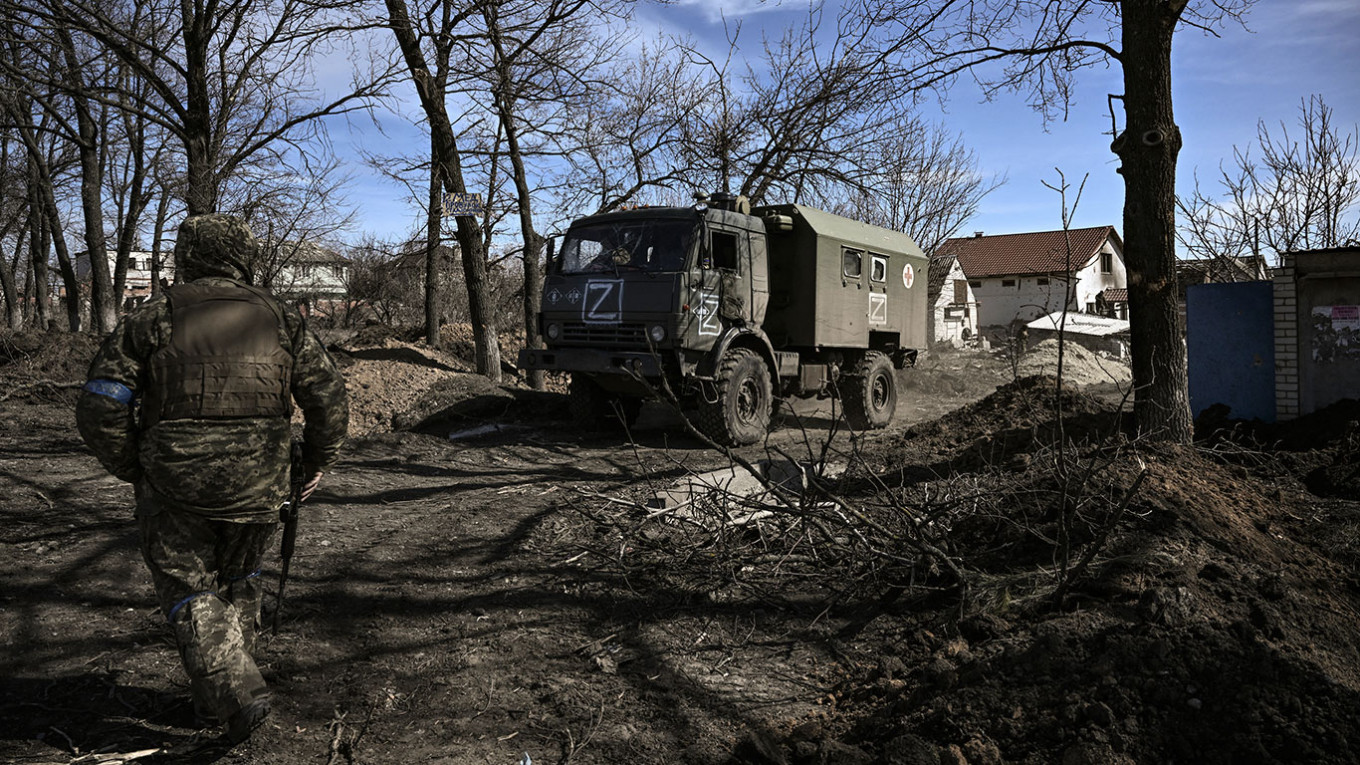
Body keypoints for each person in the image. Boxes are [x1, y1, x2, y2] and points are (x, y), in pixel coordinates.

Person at [76, 214, 348, 743]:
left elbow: (100, 405)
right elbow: (329, 399)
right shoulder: (280, 317)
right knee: (240, 580)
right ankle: (217, 702)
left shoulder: (152, 317)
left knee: (189, 589)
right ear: (244, 256)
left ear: (188, 255)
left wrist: (134, 465)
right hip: (261, 480)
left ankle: (236, 696)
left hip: (177, 482)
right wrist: (316, 462)